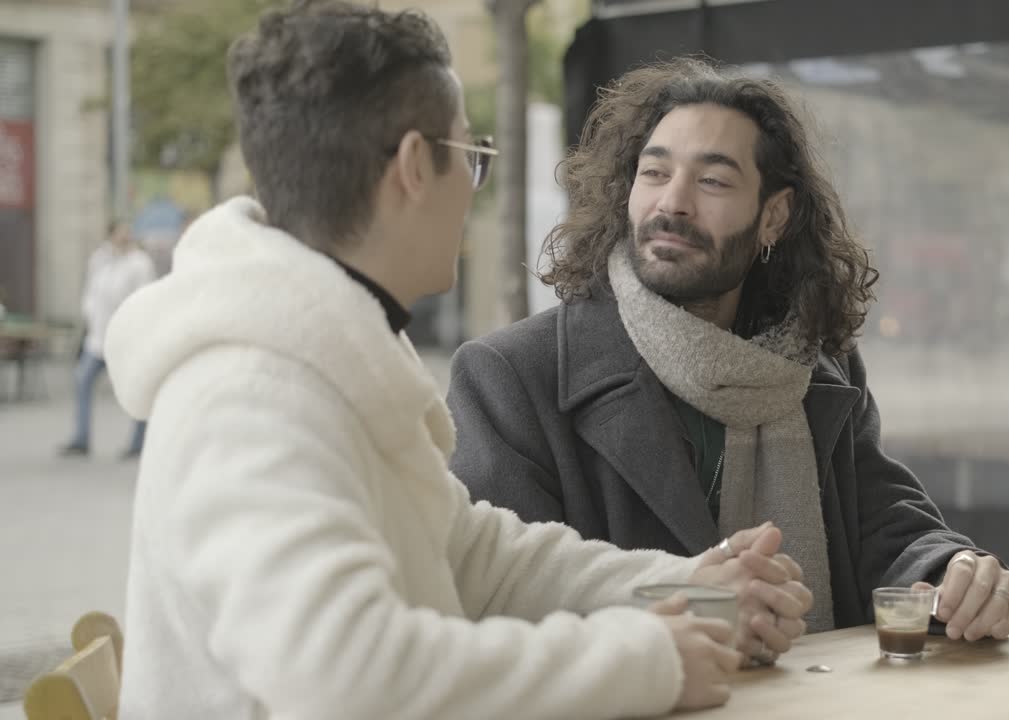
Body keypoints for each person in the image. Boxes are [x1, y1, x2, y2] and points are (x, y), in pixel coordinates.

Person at [101, 5, 811, 719]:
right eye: (472, 159)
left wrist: (690, 585)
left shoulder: (330, 353)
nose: (471, 193)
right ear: (415, 165)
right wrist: (644, 659)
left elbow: (476, 556)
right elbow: (345, 675)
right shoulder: (252, 394)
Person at [447, 57, 1009, 642]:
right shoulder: (510, 377)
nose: (672, 203)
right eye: (654, 173)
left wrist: (954, 572)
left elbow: (886, 527)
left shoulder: (816, 370)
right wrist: (696, 609)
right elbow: (504, 598)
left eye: (713, 181)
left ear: (773, 216)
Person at [59, 219, 154, 459]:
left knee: (137, 387)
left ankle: (138, 442)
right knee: (82, 381)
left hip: (126, 340)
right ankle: (81, 438)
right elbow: (90, 293)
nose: (125, 235)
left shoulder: (139, 263)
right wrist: (89, 315)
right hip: (97, 340)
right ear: (111, 233)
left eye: (128, 231)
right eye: (121, 231)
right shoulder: (100, 260)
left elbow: (143, 299)